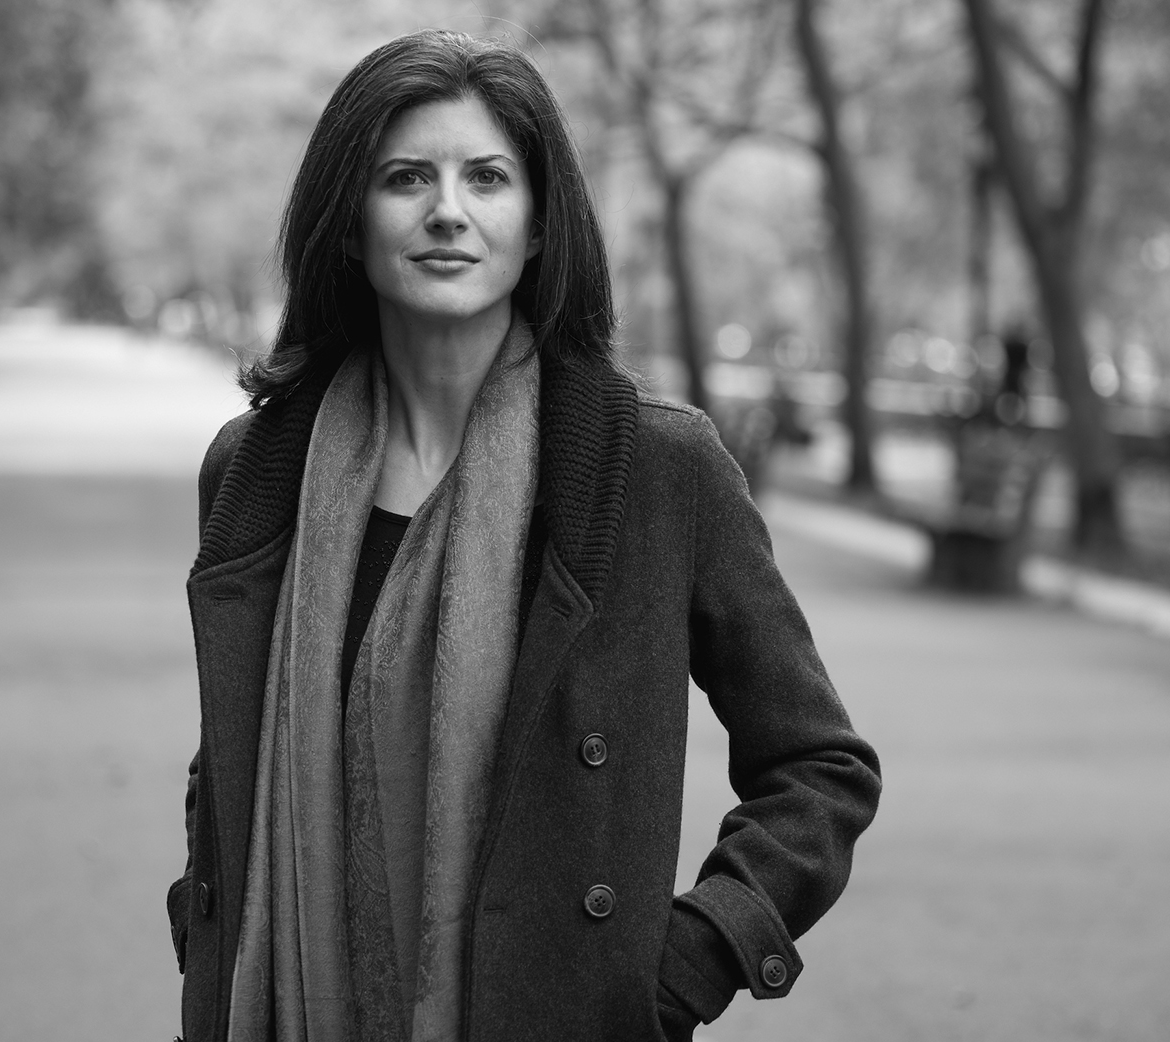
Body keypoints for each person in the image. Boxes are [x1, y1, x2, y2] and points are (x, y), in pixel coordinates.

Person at [168, 29, 880, 1042]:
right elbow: (231, 747)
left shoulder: (651, 468)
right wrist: (210, 922)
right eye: (405, 176)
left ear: (541, 223)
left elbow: (820, 765)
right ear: (348, 222)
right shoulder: (256, 468)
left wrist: (680, 968)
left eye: (488, 177)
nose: (447, 210)